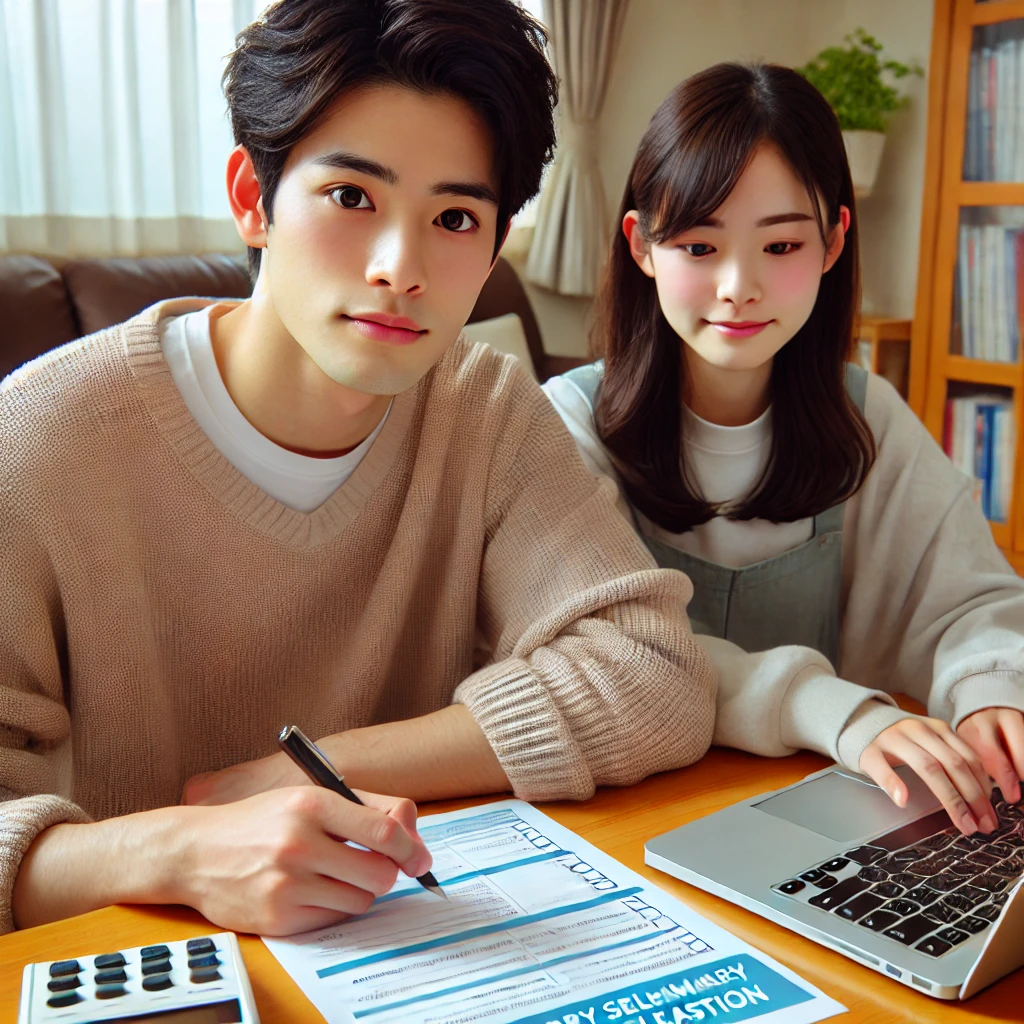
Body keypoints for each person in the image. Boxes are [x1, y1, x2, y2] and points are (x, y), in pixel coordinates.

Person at [0, 0, 716, 937]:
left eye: (454, 216)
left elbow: (657, 676)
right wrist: (176, 848)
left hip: (408, 951)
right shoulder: (41, 440)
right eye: (351, 197)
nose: (399, 266)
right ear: (253, 202)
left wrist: (307, 767)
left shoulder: (487, 409)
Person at [544, 62, 1024, 840]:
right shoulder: (568, 425)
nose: (740, 286)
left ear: (834, 240)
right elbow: (633, 658)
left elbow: (972, 601)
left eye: (782, 244)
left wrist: (994, 689)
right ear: (641, 245)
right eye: (699, 247)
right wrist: (840, 711)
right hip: (629, 822)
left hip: (839, 820)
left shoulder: (867, 418)